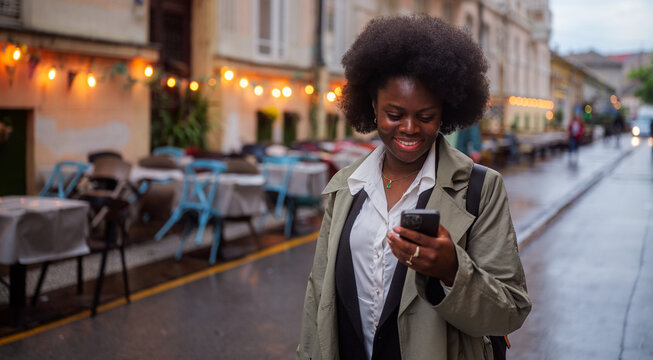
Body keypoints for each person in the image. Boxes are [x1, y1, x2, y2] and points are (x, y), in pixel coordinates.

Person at [297, 16, 531, 360]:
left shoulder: (481, 189)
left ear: (445, 113)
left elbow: (510, 309)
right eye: (394, 114)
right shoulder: (346, 186)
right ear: (373, 107)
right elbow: (319, 296)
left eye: (425, 117)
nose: (409, 129)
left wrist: (453, 270)